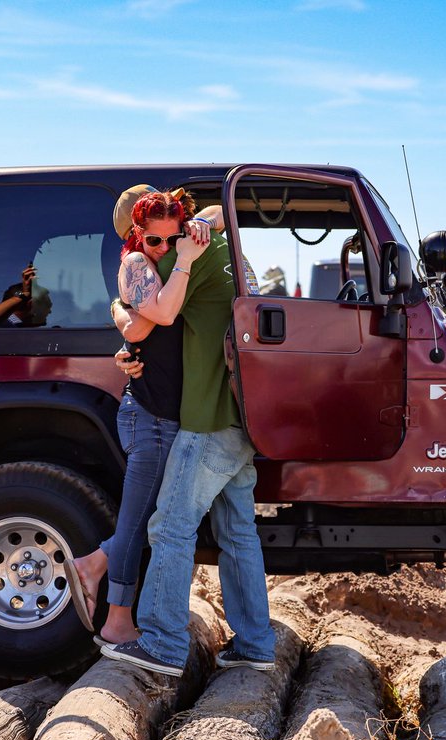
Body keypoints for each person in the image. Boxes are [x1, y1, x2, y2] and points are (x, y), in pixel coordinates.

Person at [100, 188, 277, 678]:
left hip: (208, 418)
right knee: (238, 532)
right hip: (246, 417)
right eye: (145, 241)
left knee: (170, 527)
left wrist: (120, 304)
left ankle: (162, 644)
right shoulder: (224, 245)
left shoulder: (181, 257)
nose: (149, 249)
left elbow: (153, 314)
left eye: (158, 239)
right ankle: (256, 644)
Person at [68, 186, 213, 646]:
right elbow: (164, 315)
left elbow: (213, 211)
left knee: (149, 518)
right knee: (135, 522)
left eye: (173, 239)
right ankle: (116, 622)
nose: (166, 249)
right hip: (149, 413)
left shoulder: (159, 262)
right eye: (156, 241)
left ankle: (91, 567)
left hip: (166, 413)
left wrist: (202, 225)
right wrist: (183, 262)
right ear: (136, 236)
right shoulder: (135, 266)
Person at [0, 263, 53, 328]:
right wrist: (25, 294)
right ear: (32, 305)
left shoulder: (21, 330)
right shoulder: (4, 325)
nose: (50, 311)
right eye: (47, 305)